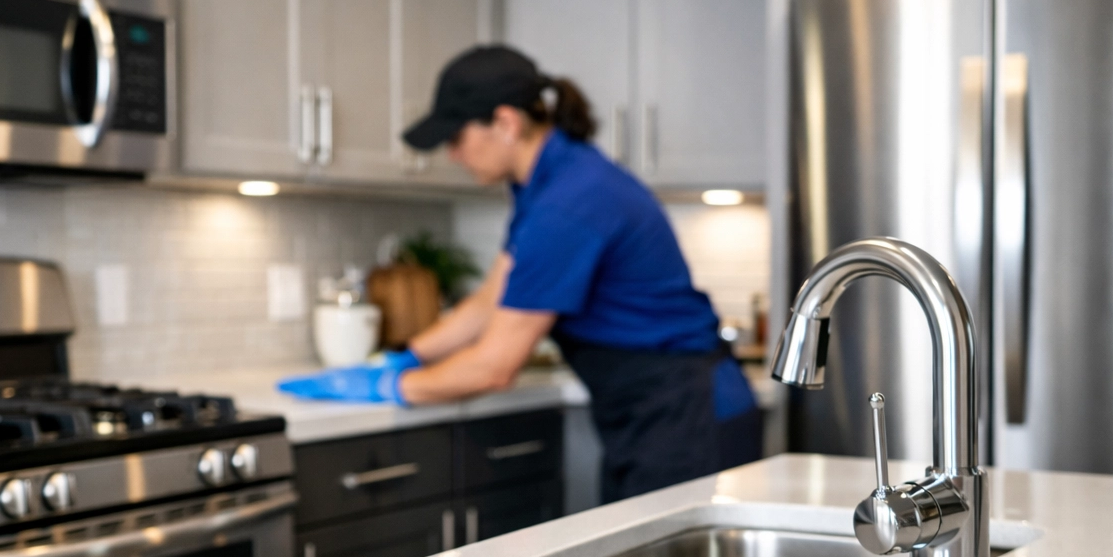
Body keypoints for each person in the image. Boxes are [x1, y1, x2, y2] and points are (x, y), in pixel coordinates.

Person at [280, 45, 759, 502]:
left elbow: (495, 367)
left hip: (687, 417)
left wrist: (388, 389)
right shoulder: (548, 181)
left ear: (505, 123)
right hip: (656, 413)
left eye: (457, 137)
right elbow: (491, 298)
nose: (452, 155)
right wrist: (404, 356)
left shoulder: (568, 203)